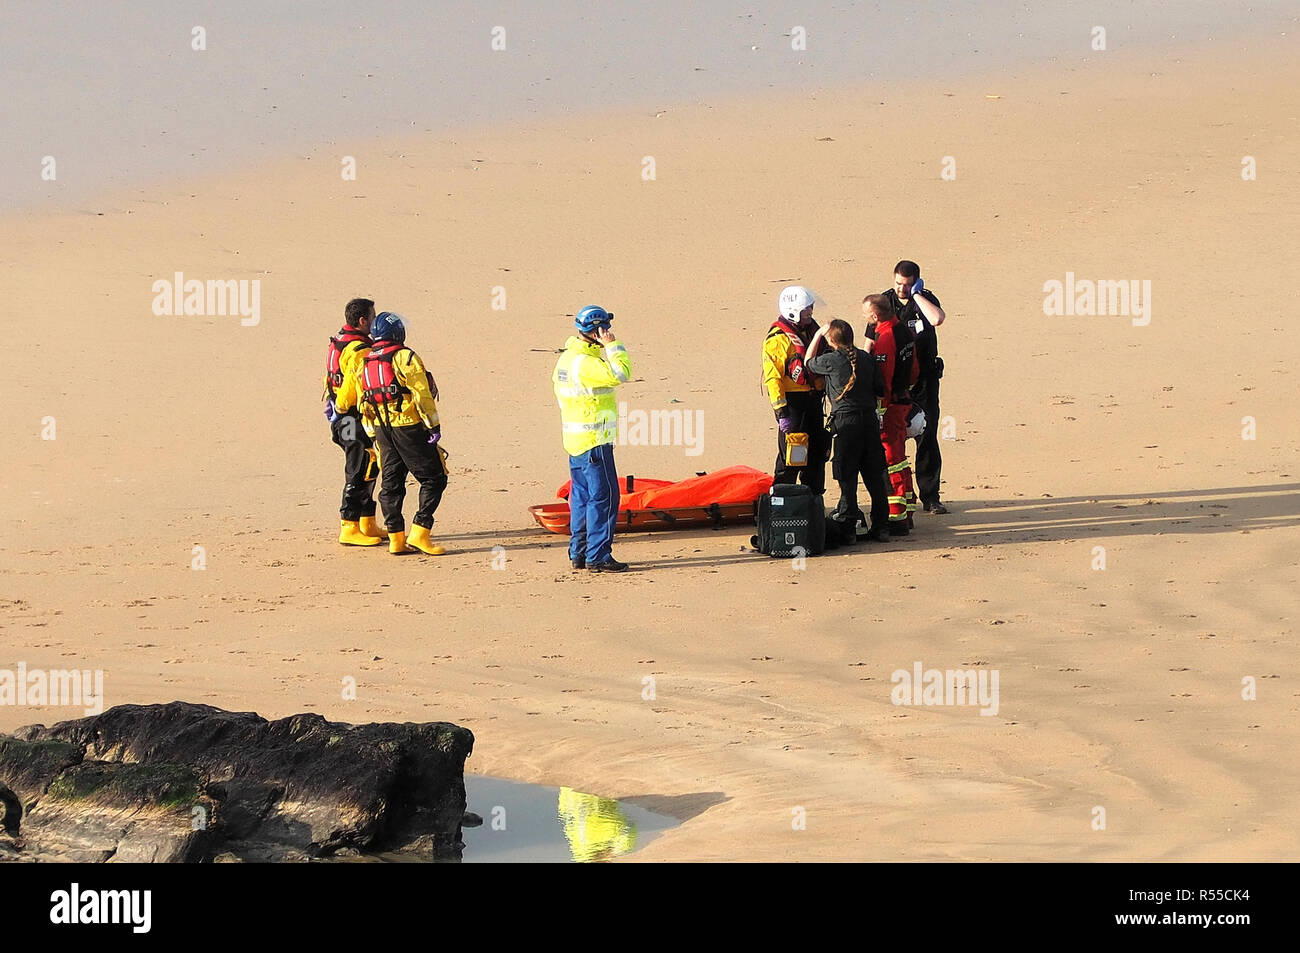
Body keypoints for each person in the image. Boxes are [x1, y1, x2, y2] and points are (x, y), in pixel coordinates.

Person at [342, 311, 449, 556]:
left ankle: (395, 538)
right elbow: (421, 394)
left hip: (381, 429)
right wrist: (433, 426)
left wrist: (372, 432)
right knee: (434, 478)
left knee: (391, 483)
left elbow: (361, 402)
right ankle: (420, 531)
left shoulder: (365, 361)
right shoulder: (405, 357)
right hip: (409, 427)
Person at [552, 305, 632, 573]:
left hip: (575, 442)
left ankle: (580, 552)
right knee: (604, 498)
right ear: (598, 330)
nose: (609, 330)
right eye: (606, 327)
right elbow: (622, 373)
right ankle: (598, 556)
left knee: (582, 499)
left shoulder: (567, 359)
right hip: (595, 441)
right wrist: (613, 346)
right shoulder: (587, 363)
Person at [805, 319, 891, 542]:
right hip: (869, 422)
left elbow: (808, 362)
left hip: (846, 423)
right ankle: (881, 526)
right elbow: (880, 389)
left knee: (847, 476)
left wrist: (817, 336)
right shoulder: (866, 358)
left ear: (831, 340)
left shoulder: (831, 360)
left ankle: (848, 527)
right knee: (874, 476)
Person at [883, 260, 948, 513]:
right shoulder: (884, 302)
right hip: (896, 383)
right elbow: (870, 339)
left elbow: (937, 319)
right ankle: (894, 497)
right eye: (899, 283)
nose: (902, 289)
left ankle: (930, 497)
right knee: (891, 439)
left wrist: (917, 294)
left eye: (907, 284)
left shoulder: (925, 299)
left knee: (927, 435)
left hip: (925, 382)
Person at [322, 297, 383, 546]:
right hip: (352, 416)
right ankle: (349, 525)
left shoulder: (339, 341)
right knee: (358, 467)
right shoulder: (359, 350)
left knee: (371, 463)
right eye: (372, 317)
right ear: (362, 321)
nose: (374, 321)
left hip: (342, 414)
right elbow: (350, 386)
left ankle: (367, 522)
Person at [761, 285, 830, 495]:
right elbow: (773, 378)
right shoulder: (777, 339)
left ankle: (814, 501)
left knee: (817, 456)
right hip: (794, 407)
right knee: (792, 457)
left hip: (814, 402)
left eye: (810, 308)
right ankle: (782, 503)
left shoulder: (812, 331)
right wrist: (782, 413)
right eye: (806, 310)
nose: (810, 313)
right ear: (792, 311)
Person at [863, 293, 919, 535]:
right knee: (901, 460)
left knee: (891, 461)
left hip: (891, 408)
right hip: (905, 399)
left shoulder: (885, 338)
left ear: (875, 316)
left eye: (866, 315)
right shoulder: (904, 331)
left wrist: (879, 411)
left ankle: (897, 519)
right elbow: (915, 370)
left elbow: (883, 379)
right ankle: (908, 511)